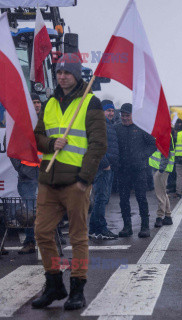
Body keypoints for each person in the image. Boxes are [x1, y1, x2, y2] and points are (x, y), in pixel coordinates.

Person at [32, 53, 107, 310]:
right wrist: (52, 144)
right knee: (41, 233)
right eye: (60, 73)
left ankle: (77, 289)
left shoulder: (91, 103)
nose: (62, 76)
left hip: (75, 182)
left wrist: (84, 180)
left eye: (67, 72)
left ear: (77, 75)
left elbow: (98, 145)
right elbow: (38, 136)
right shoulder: (50, 102)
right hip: (49, 180)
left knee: (77, 237)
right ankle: (54, 285)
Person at [115, 103, 157, 238]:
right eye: (123, 115)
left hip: (139, 170)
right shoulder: (117, 128)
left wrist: (143, 156)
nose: (125, 118)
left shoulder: (141, 128)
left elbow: (153, 144)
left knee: (141, 198)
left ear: (133, 115)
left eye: (127, 115)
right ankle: (127, 227)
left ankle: (145, 227)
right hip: (123, 170)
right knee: (123, 199)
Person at [9, 93, 42, 254]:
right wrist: (21, 169)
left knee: (49, 207)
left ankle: (51, 239)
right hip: (27, 176)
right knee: (29, 211)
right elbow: (10, 147)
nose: (36, 105)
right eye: (33, 102)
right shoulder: (20, 123)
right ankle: (30, 242)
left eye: (38, 102)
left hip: (45, 173)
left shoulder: (47, 121)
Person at [88, 100, 119, 240]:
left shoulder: (108, 125)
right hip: (102, 167)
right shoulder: (100, 125)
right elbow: (96, 145)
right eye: (108, 111)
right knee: (101, 198)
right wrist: (105, 163)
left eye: (112, 110)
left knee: (102, 199)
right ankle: (101, 228)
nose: (111, 113)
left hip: (108, 167)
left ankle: (94, 228)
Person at [150, 135, 175, 228]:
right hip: (161, 168)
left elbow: (166, 153)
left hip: (161, 169)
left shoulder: (164, 134)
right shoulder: (163, 133)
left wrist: (161, 169)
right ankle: (168, 216)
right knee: (162, 193)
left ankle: (160, 216)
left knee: (160, 194)